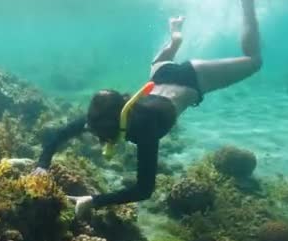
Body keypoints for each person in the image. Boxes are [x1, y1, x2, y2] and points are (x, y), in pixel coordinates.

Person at [33, 0, 262, 218]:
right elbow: (61, 134)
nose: (98, 139)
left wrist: (93, 200)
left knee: (254, 61)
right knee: (170, 52)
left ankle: (247, 5)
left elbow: (144, 190)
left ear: (116, 125)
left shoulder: (145, 130)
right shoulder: (104, 116)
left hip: (193, 78)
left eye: (101, 135)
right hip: (160, 74)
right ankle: (175, 39)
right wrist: (42, 165)